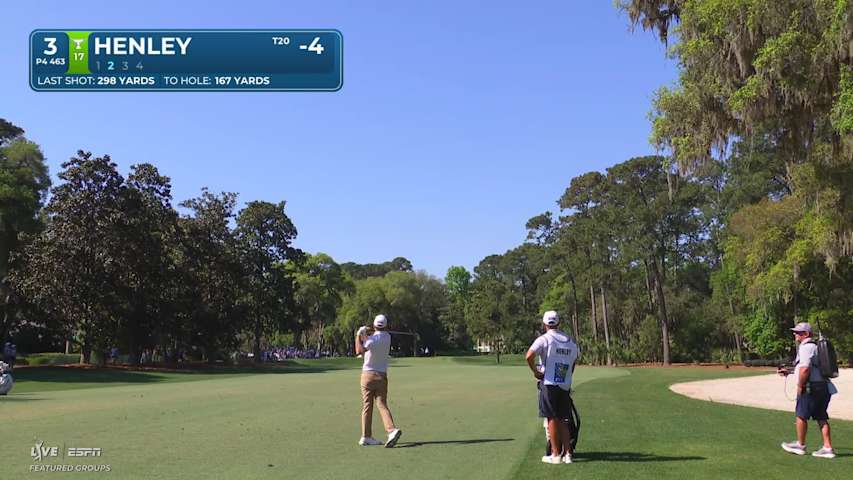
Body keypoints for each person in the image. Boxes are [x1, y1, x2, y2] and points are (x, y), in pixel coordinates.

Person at [526, 310, 579, 465]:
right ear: (558, 323)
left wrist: (536, 372)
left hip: (549, 384)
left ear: (544, 324)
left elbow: (529, 356)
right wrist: (567, 376)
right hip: (564, 385)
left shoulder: (544, 339)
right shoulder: (569, 341)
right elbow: (574, 360)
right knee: (564, 419)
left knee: (552, 418)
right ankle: (568, 454)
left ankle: (555, 455)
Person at [778, 322, 835, 459]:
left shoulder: (806, 347)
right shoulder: (815, 347)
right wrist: (790, 372)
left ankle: (800, 445)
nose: (795, 334)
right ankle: (828, 447)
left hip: (811, 387)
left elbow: (805, 369)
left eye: (798, 332)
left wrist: (800, 386)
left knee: (801, 415)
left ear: (806, 334)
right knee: (821, 417)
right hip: (823, 386)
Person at [355, 314, 402, 448]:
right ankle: (391, 430)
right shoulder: (387, 337)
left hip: (367, 376)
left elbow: (359, 350)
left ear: (374, 325)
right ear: (386, 326)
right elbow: (373, 337)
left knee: (367, 406)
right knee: (381, 404)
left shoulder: (372, 340)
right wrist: (366, 334)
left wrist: (359, 335)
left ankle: (366, 436)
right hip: (381, 376)